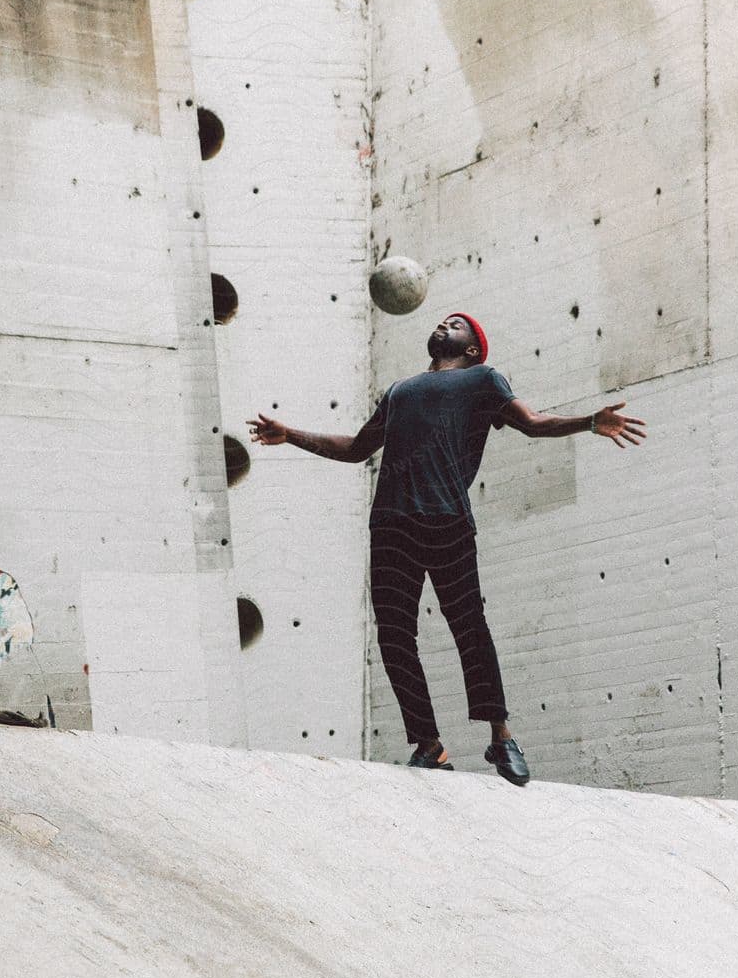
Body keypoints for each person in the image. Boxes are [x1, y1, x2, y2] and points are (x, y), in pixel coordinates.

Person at [247, 311, 646, 784]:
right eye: (442, 321)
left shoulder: (483, 380)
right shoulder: (398, 391)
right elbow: (356, 447)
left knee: (469, 627)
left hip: (448, 521)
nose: (444, 325)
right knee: (395, 637)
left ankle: (501, 738)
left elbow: (534, 424)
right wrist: (291, 435)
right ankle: (429, 744)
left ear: (473, 348)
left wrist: (587, 422)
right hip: (391, 523)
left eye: (455, 324)